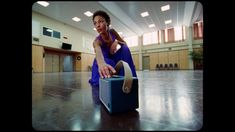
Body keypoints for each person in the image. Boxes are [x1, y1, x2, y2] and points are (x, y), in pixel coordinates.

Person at [89, 10, 137, 86]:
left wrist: (116, 42)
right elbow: (98, 53)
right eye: (95, 23)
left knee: (125, 48)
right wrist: (101, 64)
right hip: (104, 61)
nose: (97, 25)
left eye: (100, 21)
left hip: (114, 58)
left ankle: (131, 76)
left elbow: (124, 43)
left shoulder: (112, 32)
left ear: (107, 22)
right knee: (107, 68)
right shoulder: (97, 41)